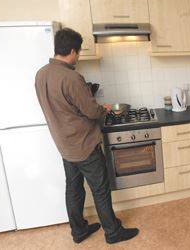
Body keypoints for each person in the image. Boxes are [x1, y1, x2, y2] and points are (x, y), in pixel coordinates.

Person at [34, 28, 139, 244]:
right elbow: (91, 111)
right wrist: (105, 109)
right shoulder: (71, 77)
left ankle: (79, 230)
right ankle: (113, 232)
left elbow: (60, 107)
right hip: (84, 145)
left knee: (73, 188)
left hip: (64, 146)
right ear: (72, 50)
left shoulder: (41, 74)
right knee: (100, 190)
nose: (78, 57)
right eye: (78, 52)